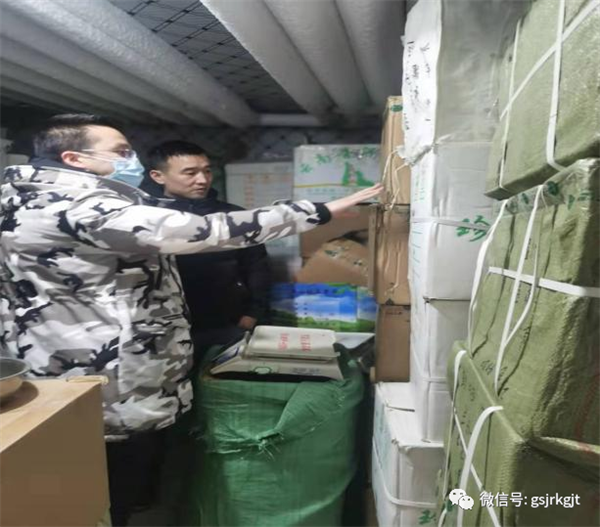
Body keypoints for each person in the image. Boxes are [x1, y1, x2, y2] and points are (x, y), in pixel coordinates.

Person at [0, 114, 381, 527]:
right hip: (99, 372)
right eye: (121, 152)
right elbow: (199, 230)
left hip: (76, 362)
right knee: (104, 482)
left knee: (97, 473)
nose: (131, 160)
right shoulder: (73, 205)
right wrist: (317, 212)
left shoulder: (26, 198)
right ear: (74, 158)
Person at [143, 140, 269, 356]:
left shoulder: (233, 216)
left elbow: (258, 268)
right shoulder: (144, 219)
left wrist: (253, 313)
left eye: (207, 171)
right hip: (162, 327)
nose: (202, 180)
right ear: (158, 176)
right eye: (190, 173)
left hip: (227, 323)